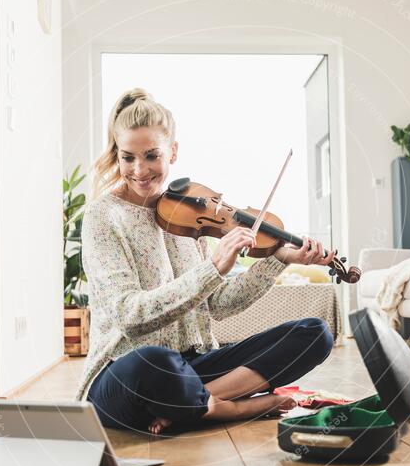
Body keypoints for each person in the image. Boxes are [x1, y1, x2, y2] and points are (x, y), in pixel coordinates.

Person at [76, 88, 336, 435]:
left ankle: (200, 402)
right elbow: (130, 317)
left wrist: (277, 260)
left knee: (314, 333)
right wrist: (212, 268)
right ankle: (231, 408)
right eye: (128, 158)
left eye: (151, 155)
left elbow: (219, 306)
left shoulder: (188, 211)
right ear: (118, 156)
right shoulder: (103, 217)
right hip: (126, 372)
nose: (139, 170)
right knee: (155, 362)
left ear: (173, 151)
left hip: (192, 367)